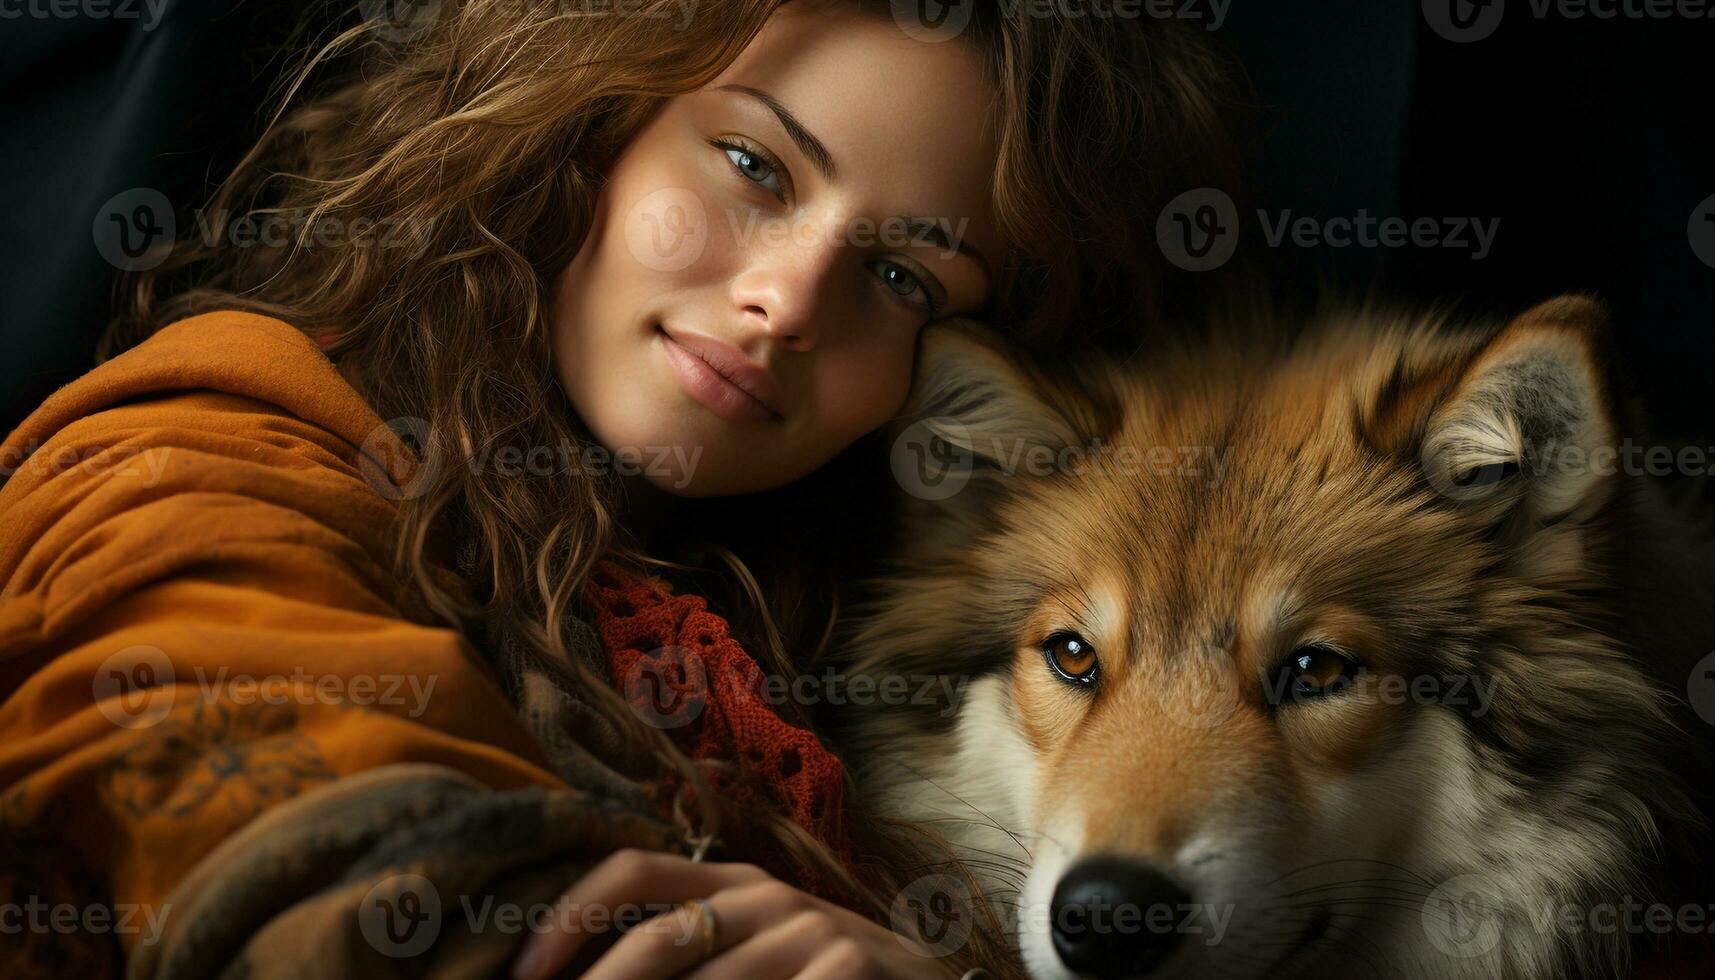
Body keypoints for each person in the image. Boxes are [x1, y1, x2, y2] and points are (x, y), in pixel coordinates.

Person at [0, 1, 1241, 976]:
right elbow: (356, 890)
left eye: (905, 280)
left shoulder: (794, 638)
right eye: (754, 165)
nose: (791, 300)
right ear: (586, 123)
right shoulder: (213, 450)